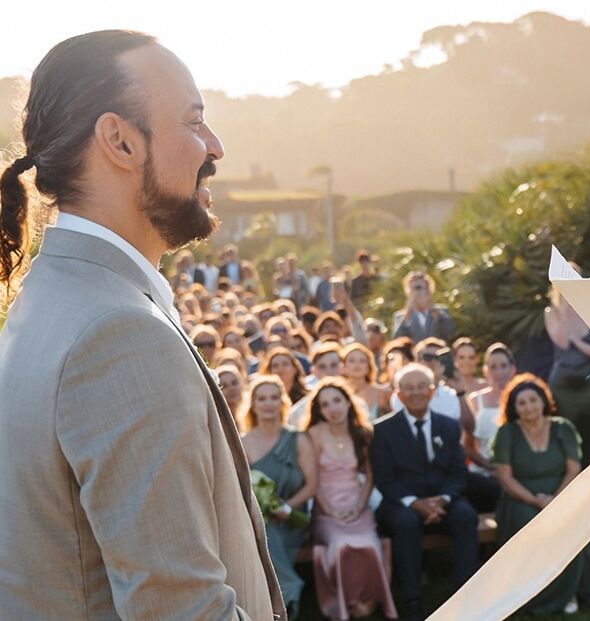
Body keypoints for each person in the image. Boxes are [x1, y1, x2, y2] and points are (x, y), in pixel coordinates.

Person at [0, 31, 284, 618]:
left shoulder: (48, 301)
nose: (216, 146)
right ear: (120, 141)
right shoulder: (119, 335)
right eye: (194, 121)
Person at [490, 374, 590, 615]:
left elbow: (574, 469)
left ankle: (571, 591)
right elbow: (505, 477)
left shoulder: (562, 428)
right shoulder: (507, 433)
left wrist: (555, 500)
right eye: (521, 403)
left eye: (533, 400)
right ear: (513, 407)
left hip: (562, 495)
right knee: (528, 522)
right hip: (521, 498)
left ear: (543, 401)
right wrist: (535, 500)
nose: (528, 406)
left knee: (567, 523)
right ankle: (533, 595)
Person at [372, 364, 478, 621]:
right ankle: (412, 601)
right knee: (407, 523)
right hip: (401, 502)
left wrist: (442, 500)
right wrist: (415, 503)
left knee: (466, 515)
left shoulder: (449, 426)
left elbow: (457, 472)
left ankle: (467, 596)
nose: (415, 392)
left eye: (421, 387)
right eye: (408, 388)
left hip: (442, 499)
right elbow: (384, 479)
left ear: (432, 392)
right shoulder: (382, 430)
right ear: (398, 395)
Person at [307, 377, 398, 620]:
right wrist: (328, 509)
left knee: (369, 543)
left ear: (348, 402)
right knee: (339, 545)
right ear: (320, 410)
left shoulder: (362, 433)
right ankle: (345, 602)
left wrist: (359, 506)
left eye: (337, 400)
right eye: (325, 405)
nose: (332, 408)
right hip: (326, 508)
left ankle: (367, 599)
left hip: (357, 505)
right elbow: (312, 480)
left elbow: (369, 476)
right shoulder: (313, 434)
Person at [241, 375, 316, 618]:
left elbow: (312, 484)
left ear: (281, 401)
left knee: (266, 530)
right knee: (263, 528)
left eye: (274, 397)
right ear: (252, 404)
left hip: (294, 517)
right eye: (262, 398)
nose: (268, 403)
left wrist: (285, 507)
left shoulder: (298, 439)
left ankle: (279, 599)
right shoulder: (243, 442)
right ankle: (287, 591)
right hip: (260, 518)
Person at [544, 279, 590, 467]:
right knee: (568, 431)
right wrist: (564, 309)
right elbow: (563, 342)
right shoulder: (552, 312)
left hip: (588, 377)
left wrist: (578, 341)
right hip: (563, 381)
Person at [462, 343, 516, 512]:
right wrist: (489, 466)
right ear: (485, 371)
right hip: (484, 471)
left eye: (503, 366)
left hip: (517, 470)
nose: (498, 372)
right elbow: (466, 444)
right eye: (493, 367)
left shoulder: (523, 398)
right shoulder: (474, 399)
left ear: (512, 369)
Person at [391, 271, 455, 343]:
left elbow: (450, 333)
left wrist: (433, 310)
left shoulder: (441, 311)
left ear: (429, 290)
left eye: (421, 287)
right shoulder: (400, 316)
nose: (418, 292)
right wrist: (407, 314)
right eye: (415, 288)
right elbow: (397, 340)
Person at [342, 342, 392, 420]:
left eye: (362, 361)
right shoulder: (339, 394)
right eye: (352, 360)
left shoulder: (383, 393)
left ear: (369, 366)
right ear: (344, 366)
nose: (357, 364)